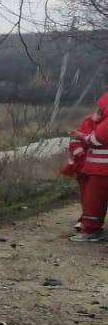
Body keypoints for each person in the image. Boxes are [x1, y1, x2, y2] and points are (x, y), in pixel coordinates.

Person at [66, 92, 108, 241]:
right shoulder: (91, 121)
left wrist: (81, 137)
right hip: (93, 168)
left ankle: (90, 229)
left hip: (100, 170)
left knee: (93, 199)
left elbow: (99, 138)